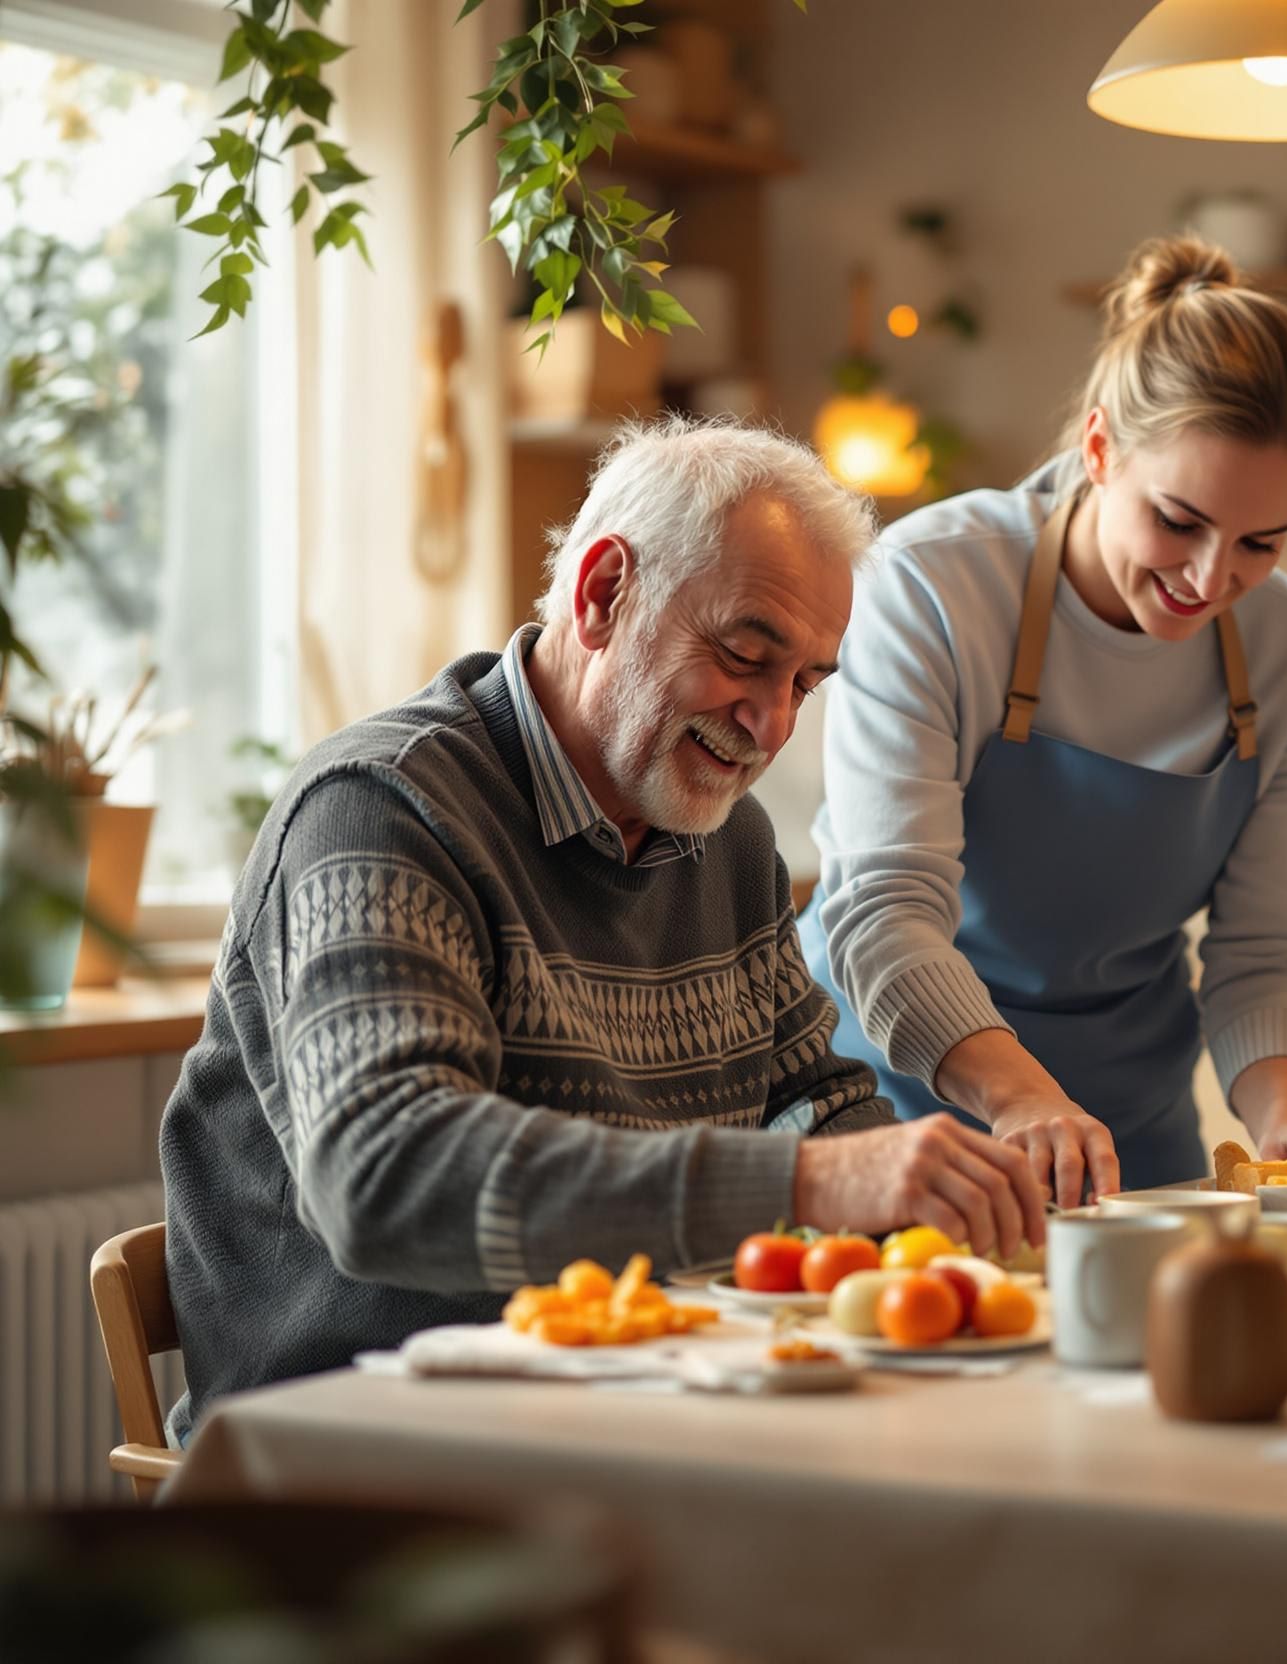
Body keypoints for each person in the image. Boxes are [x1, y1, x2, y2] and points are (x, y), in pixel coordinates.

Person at [160, 419, 1047, 1439]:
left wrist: (932, 1205)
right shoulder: (381, 812)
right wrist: (813, 1182)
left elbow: (815, 1096)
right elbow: (385, 1174)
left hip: (628, 1407)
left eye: (804, 682)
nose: (772, 726)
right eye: (745, 657)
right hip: (363, 1452)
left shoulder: (726, 839)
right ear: (601, 593)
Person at [803, 235, 1287, 1203]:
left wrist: (1285, 1122)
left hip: (1127, 1131)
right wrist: (1021, 1099)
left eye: (1261, 541)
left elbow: (1263, 946)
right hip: (892, 1110)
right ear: (1099, 448)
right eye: (1178, 520)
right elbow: (883, 912)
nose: (1209, 578)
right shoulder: (935, 584)